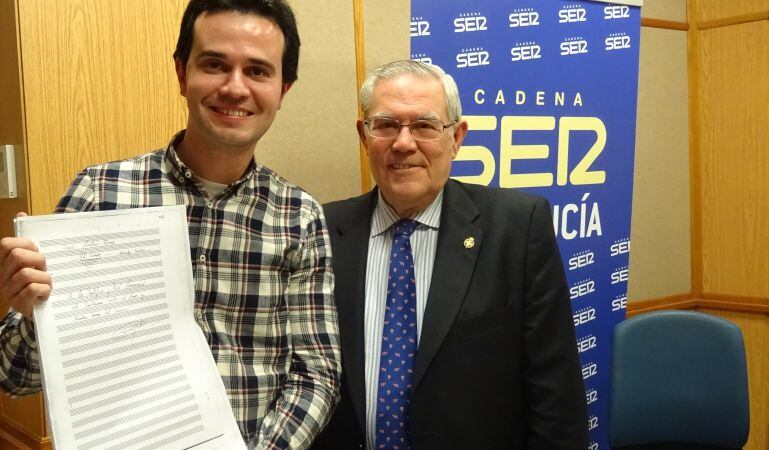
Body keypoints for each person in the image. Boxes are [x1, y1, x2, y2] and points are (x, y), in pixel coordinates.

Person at [0, 1, 341, 448]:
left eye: (258, 71)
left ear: (283, 89)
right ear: (182, 73)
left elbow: (317, 374)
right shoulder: (101, 193)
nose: (235, 87)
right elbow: (14, 377)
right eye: (215, 64)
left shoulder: (299, 216)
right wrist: (30, 312)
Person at [312, 60, 587, 450]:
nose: (403, 143)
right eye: (386, 125)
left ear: (457, 137)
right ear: (364, 135)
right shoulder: (321, 229)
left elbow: (556, 395)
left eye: (425, 126)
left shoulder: (517, 228)